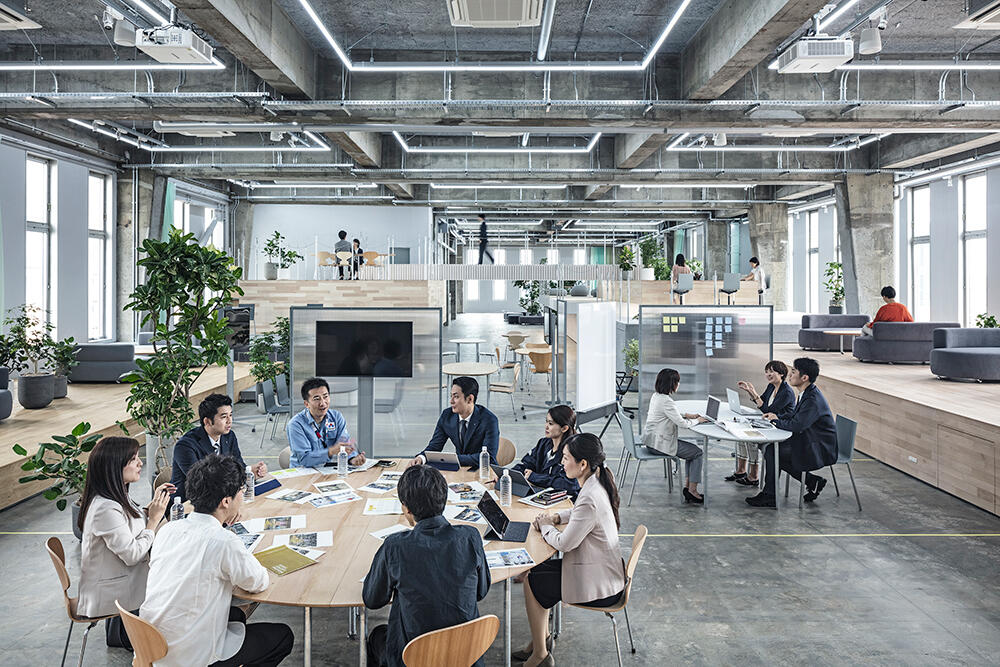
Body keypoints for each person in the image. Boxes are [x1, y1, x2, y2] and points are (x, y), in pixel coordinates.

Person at [140, 455, 294, 666]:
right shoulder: (224, 542)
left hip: (151, 646)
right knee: (283, 636)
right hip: (192, 655)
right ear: (226, 501)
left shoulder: (168, 529)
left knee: (236, 615)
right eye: (241, 491)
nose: (243, 495)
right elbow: (258, 582)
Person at [363, 465, 490, 667]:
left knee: (378, 635)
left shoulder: (395, 546)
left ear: (406, 508)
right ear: (444, 500)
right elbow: (480, 592)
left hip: (414, 657)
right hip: (466, 654)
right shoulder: (470, 537)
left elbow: (372, 599)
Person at [517, 433, 626, 667]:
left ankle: (540, 654)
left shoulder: (590, 496)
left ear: (582, 464)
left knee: (532, 581)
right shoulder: (598, 480)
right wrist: (556, 517)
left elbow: (565, 543)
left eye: (566, 458)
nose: (561, 462)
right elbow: (579, 512)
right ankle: (541, 640)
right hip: (603, 569)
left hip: (600, 584)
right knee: (535, 574)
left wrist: (546, 526)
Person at [78, 436, 174, 649]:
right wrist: (154, 520)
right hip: (117, 594)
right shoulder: (105, 508)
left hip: (125, 581)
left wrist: (153, 506)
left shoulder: (116, 496)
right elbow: (132, 555)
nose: (140, 463)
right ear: (115, 466)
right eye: (133, 459)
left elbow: (130, 524)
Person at [747, 357, 838, 508]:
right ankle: (811, 481)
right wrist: (777, 417)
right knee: (773, 452)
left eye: (793, 372)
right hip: (808, 438)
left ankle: (770, 496)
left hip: (818, 446)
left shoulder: (812, 399)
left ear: (804, 377)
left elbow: (797, 425)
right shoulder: (806, 393)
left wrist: (775, 421)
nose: (790, 375)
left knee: (772, 451)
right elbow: (796, 416)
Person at [171, 393, 267, 501]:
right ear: (207, 421)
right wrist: (239, 476)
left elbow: (238, 466)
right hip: (190, 503)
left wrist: (250, 472)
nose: (229, 421)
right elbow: (200, 482)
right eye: (224, 417)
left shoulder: (229, 436)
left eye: (230, 415)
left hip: (222, 497)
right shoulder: (185, 446)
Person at [642, 368, 708, 504]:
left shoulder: (657, 396)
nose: (679, 384)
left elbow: (670, 413)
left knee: (692, 452)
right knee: (697, 453)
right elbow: (683, 424)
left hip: (652, 441)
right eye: (677, 382)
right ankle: (692, 491)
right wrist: (698, 420)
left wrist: (687, 415)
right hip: (660, 445)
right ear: (671, 384)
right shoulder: (667, 401)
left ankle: (688, 488)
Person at [731, 360, 797, 486]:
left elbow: (768, 410)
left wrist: (754, 393)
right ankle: (741, 471)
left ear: (781, 374)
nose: (768, 374)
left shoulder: (786, 392)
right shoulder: (771, 386)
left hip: (780, 429)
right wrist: (750, 391)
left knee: (751, 439)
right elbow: (763, 402)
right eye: (766, 372)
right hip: (770, 425)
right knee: (741, 437)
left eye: (771, 371)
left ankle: (753, 476)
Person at [410, 376, 499, 468]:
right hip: (459, 469)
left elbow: (489, 457)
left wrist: (453, 459)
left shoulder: (489, 420)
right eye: (451, 396)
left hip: (483, 470)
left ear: (470, 399)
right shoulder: (447, 416)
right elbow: (435, 446)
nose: (451, 401)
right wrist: (421, 458)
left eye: (456, 397)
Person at [287, 377, 366, 468]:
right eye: (317, 399)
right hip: (304, 471)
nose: (323, 403)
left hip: (327, 470)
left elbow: (344, 444)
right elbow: (304, 459)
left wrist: (352, 459)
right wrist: (330, 452)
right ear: (306, 404)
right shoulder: (296, 425)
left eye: (325, 397)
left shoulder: (336, 417)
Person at [511, 405, 581, 499]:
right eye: (546, 422)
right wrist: (508, 475)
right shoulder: (543, 443)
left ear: (564, 428)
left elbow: (568, 485)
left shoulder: (571, 452)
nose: (546, 426)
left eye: (551, 423)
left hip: (562, 501)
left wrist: (534, 477)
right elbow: (527, 464)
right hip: (541, 496)